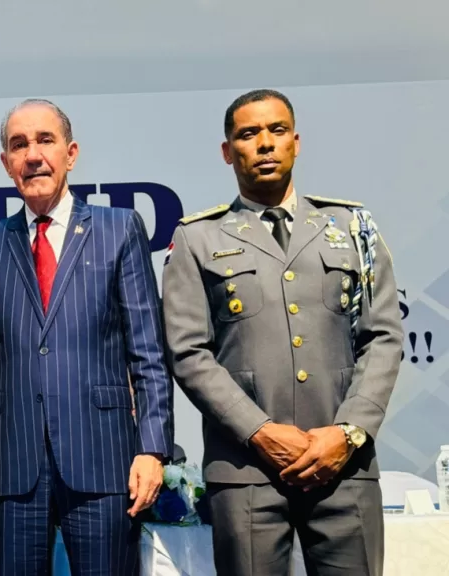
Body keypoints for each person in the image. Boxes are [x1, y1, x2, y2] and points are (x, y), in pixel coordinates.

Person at [162, 89, 403, 576]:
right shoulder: (197, 237)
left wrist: (348, 432)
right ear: (227, 151)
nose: (265, 143)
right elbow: (188, 352)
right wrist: (260, 431)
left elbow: (383, 337)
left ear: (296, 141)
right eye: (249, 134)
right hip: (246, 471)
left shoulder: (351, 227)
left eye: (277, 130)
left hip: (344, 466)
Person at [0, 99, 174, 575]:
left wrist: (152, 450)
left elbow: (148, 352)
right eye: (19, 145)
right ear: (6, 162)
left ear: (71, 154)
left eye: (45, 141)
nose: (32, 155)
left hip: (104, 460)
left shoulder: (119, 229)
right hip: (15, 465)